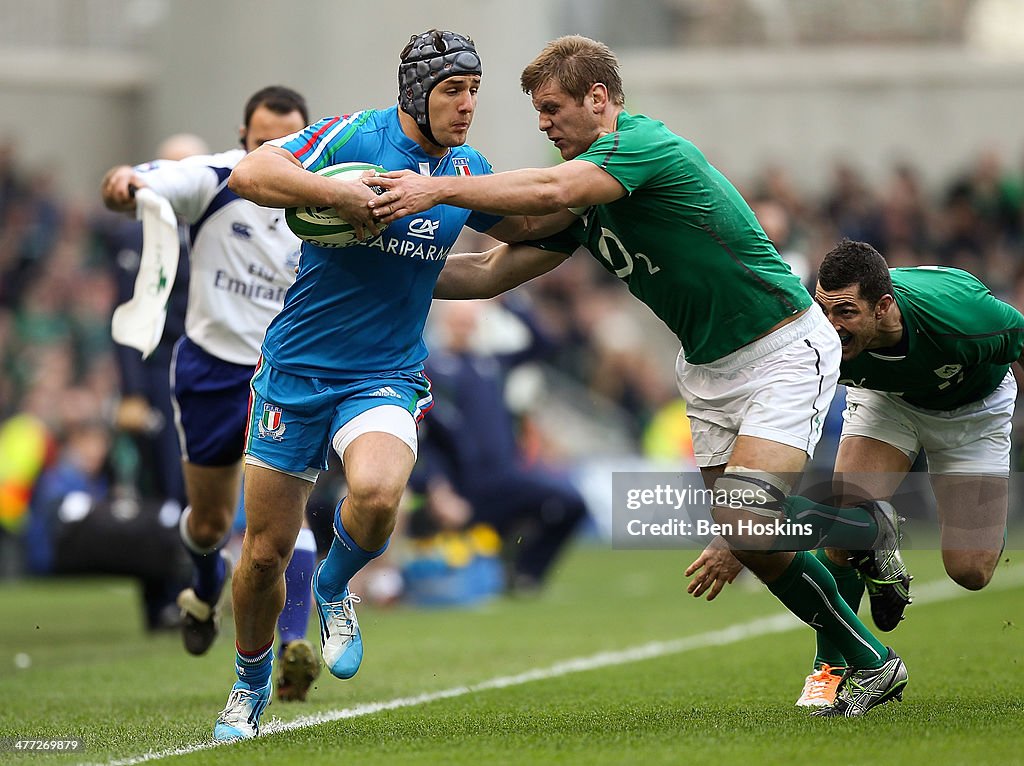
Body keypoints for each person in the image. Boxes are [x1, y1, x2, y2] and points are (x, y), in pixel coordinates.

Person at [366, 34, 910, 718]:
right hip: (708, 366)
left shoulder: (640, 146)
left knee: (746, 522)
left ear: (600, 99)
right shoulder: (582, 189)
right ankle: (864, 594)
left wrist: (436, 186)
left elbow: (556, 189)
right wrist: (387, 269)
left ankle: (864, 631)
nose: (543, 122)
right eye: (537, 111)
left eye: (552, 107)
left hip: (781, 346)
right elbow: (491, 269)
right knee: (756, 540)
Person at [216, 29, 571, 740]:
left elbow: (520, 241)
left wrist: (591, 213)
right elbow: (251, 175)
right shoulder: (357, 136)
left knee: (377, 498)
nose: (467, 105)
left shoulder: (467, 170)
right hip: (295, 372)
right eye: (451, 90)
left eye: (474, 90)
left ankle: (334, 586)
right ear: (415, 92)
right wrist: (337, 196)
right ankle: (249, 684)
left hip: (386, 373)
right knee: (261, 554)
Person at [100, 86, 322, 702]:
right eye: (261, 142)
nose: (274, 152)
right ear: (243, 137)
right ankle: (203, 585)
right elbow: (147, 183)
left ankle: (292, 646)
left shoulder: (324, 197)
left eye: (288, 142)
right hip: (209, 372)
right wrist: (123, 184)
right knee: (210, 522)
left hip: (282, 373)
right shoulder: (218, 178)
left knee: (278, 519)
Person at [789, 239, 1022, 706]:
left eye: (846, 313)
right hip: (887, 402)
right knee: (842, 532)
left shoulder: (964, 320)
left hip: (973, 411)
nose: (830, 327)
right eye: (823, 309)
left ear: (884, 307)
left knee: (970, 572)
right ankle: (834, 667)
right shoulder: (816, 335)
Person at [413, 298, 587, 593]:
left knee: (570, 504)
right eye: (458, 319)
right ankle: (506, 571)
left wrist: (508, 299)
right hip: (465, 484)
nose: (464, 326)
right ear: (445, 322)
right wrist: (438, 489)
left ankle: (524, 574)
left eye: (470, 320)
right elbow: (425, 437)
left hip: (505, 475)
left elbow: (543, 344)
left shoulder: (491, 362)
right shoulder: (431, 368)